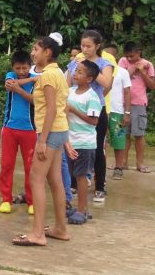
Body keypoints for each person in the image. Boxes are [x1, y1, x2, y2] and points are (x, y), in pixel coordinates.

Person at [12, 32, 70, 247]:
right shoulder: (57, 73)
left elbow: (51, 109)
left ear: (48, 52)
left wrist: (42, 140)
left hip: (50, 132)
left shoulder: (47, 76)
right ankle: (60, 228)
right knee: (55, 180)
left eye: (36, 49)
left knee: (36, 179)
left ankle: (37, 233)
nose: (32, 53)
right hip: (59, 130)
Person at [66, 30, 113, 204]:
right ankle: (74, 183)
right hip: (72, 109)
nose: (84, 49)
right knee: (73, 145)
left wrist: (89, 67)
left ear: (97, 46)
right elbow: (67, 85)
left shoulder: (104, 63)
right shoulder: (74, 62)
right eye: (82, 45)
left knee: (97, 148)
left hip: (95, 110)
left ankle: (100, 186)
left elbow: (107, 84)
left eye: (89, 46)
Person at [0, 51, 38, 215]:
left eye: (24, 68)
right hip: (9, 128)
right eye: (18, 68)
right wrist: (30, 80)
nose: (21, 71)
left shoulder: (38, 80)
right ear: (13, 68)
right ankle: (6, 199)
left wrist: (22, 89)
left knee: (31, 167)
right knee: (6, 165)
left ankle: (32, 201)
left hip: (30, 129)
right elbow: (10, 84)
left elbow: (36, 100)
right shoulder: (11, 76)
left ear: (30, 66)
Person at [65, 60, 102, 225]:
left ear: (89, 79)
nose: (75, 74)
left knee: (81, 177)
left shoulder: (92, 96)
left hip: (84, 143)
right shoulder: (70, 91)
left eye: (80, 72)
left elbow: (94, 121)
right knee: (71, 175)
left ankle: (81, 210)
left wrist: (74, 110)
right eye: (75, 71)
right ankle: (80, 208)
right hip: (70, 141)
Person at [119, 42, 155, 173]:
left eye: (132, 56)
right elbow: (121, 78)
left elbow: (152, 86)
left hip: (139, 103)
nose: (129, 58)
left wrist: (143, 72)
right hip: (122, 103)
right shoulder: (122, 61)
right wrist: (135, 67)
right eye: (127, 56)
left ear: (138, 52)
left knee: (139, 135)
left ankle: (140, 163)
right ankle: (122, 162)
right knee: (123, 134)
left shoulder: (148, 65)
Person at [104, 44, 132, 180]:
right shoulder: (99, 71)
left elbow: (127, 92)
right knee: (100, 141)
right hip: (102, 111)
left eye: (109, 55)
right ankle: (98, 168)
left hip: (118, 112)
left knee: (119, 139)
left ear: (115, 56)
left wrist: (127, 113)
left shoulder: (122, 72)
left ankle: (119, 167)